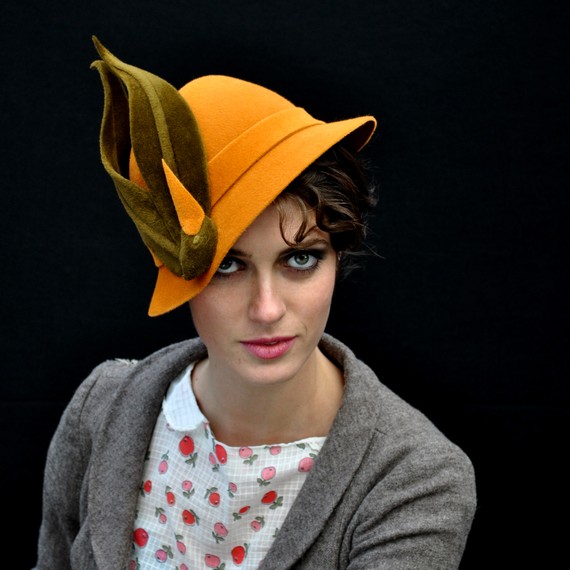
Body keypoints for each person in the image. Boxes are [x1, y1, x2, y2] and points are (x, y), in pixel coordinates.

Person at [34, 37, 476, 569]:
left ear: (338, 256)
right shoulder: (102, 408)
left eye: (300, 259)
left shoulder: (415, 479)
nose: (267, 309)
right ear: (176, 266)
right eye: (228, 265)